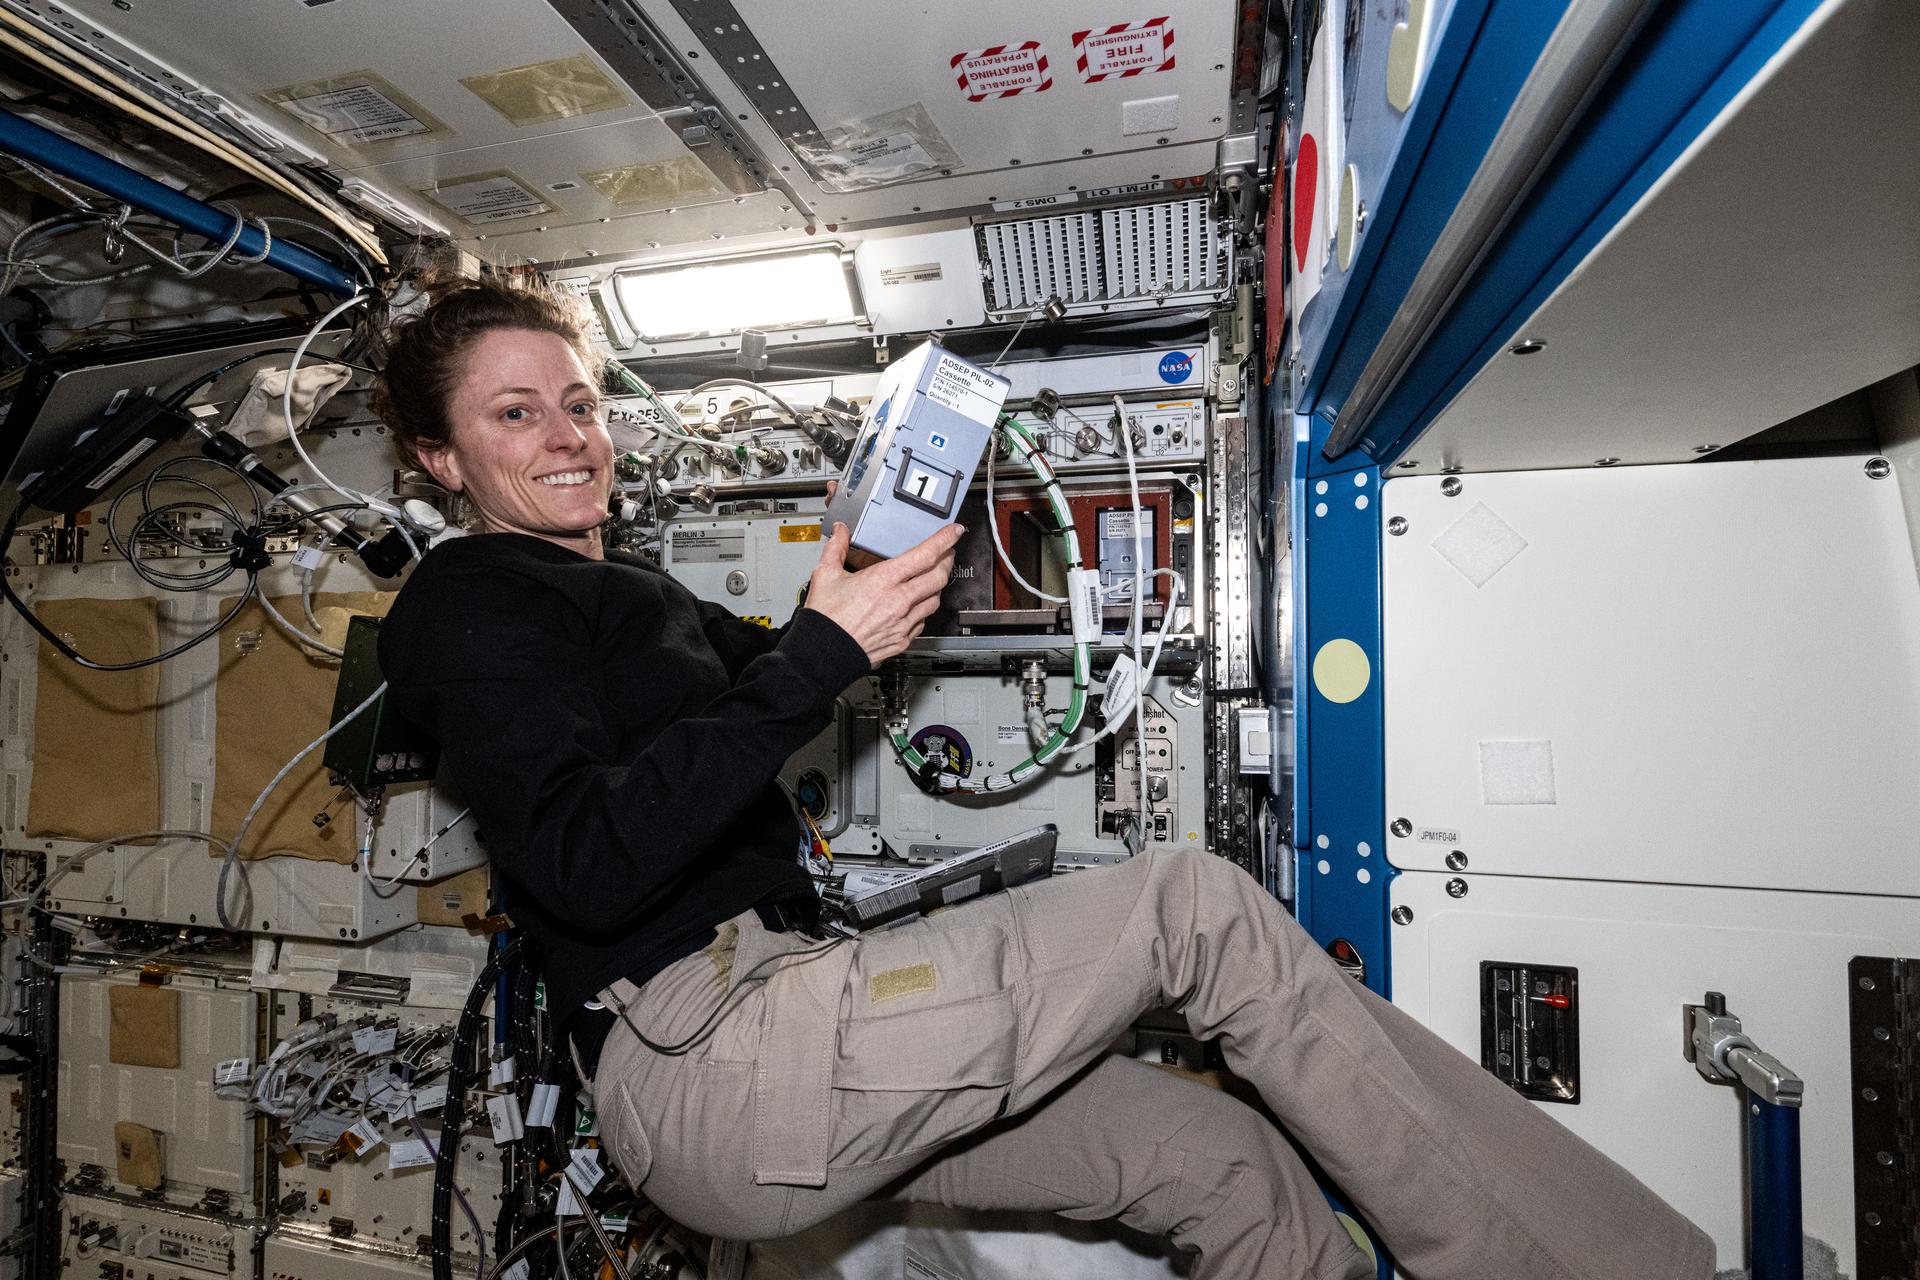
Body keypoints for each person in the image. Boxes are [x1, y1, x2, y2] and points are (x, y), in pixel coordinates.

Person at [373, 278, 1715, 1280]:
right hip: (719, 1066)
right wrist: (818, 656)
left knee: (1220, 1167)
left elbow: (774, 677)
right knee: (1194, 909)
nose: (567, 436)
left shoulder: (623, 589)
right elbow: (583, 858)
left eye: (579, 401)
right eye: (513, 413)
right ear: (441, 461)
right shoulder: (473, 600)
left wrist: (869, 558)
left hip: (785, 1042)